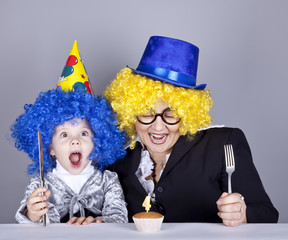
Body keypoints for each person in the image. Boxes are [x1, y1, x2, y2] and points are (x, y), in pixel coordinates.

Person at [104, 36, 279, 227]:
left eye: (171, 114)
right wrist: (88, 220)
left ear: (188, 113)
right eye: (147, 113)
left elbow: (267, 213)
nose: (158, 126)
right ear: (130, 111)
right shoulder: (116, 152)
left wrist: (243, 215)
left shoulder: (224, 143)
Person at [11, 41, 128, 225]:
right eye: (64, 135)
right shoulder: (41, 184)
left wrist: (100, 224)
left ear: (98, 142)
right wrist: (32, 214)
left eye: (83, 133)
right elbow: (26, 223)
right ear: (50, 148)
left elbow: (119, 216)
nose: (75, 141)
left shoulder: (108, 181)